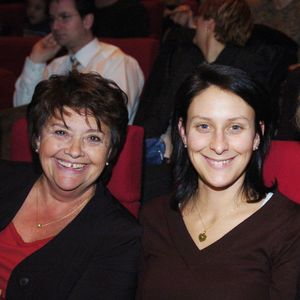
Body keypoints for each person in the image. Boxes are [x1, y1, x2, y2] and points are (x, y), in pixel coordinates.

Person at [136, 64, 300, 299]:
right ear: (183, 132)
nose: (219, 145)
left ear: (257, 135)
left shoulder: (290, 227)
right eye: (203, 126)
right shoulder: (153, 217)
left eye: (235, 127)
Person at [0, 71, 141, 299]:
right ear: (37, 139)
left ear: (110, 152)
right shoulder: (4, 178)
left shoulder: (122, 237)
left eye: (93, 138)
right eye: (61, 132)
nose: (74, 151)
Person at [134, 0, 281, 203]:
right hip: (167, 151)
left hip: (206, 157)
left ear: (209, 24)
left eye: (197, 19)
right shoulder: (187, 60)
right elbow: (159, 110)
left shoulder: (248, 67)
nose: (193, 26)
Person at [14, 0, 144, 124]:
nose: (55, 26)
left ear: (87, 20)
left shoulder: (117, 62)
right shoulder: (55, 65)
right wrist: (36, 61)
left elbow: (115, 120)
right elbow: (21, 113)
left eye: (64, 17)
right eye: (52, 19)